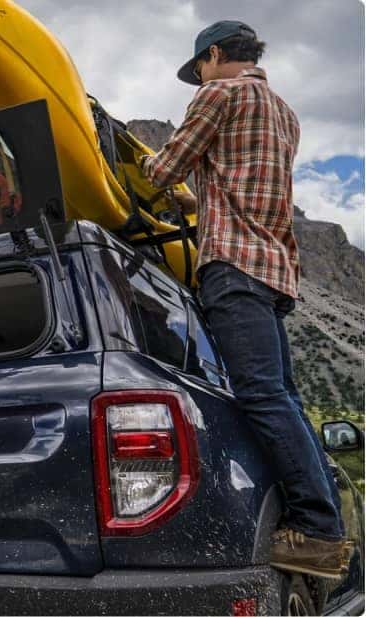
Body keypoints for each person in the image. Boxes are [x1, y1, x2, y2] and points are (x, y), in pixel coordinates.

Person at [139, 21, 350, 579]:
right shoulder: (284, 111)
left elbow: (163, 171)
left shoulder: (220, 94)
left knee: (260, 397)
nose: (198, 81)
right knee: (284, 398)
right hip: (276, 271)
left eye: (198, 70)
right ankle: (325, 524)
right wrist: (201, 195)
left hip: (232, 265)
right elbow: (238, 178)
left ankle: (318, 532)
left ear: (213, 56)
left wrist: (140, 164)